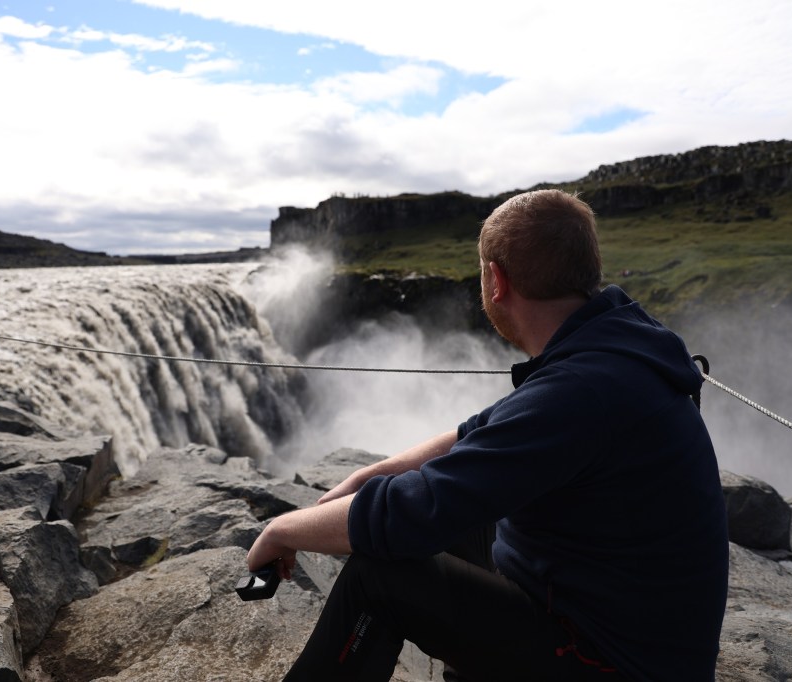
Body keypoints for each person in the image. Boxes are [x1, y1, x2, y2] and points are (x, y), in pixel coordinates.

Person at [247, 189, 729, 681]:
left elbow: (410, 512)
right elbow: (482, 432)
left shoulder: (581, 389)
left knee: (381, 573)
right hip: (621, 620)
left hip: (616, 662)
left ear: (496, 280)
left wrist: (282, 528)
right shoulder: (612, 346)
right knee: (465, 514)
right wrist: (372, 474)